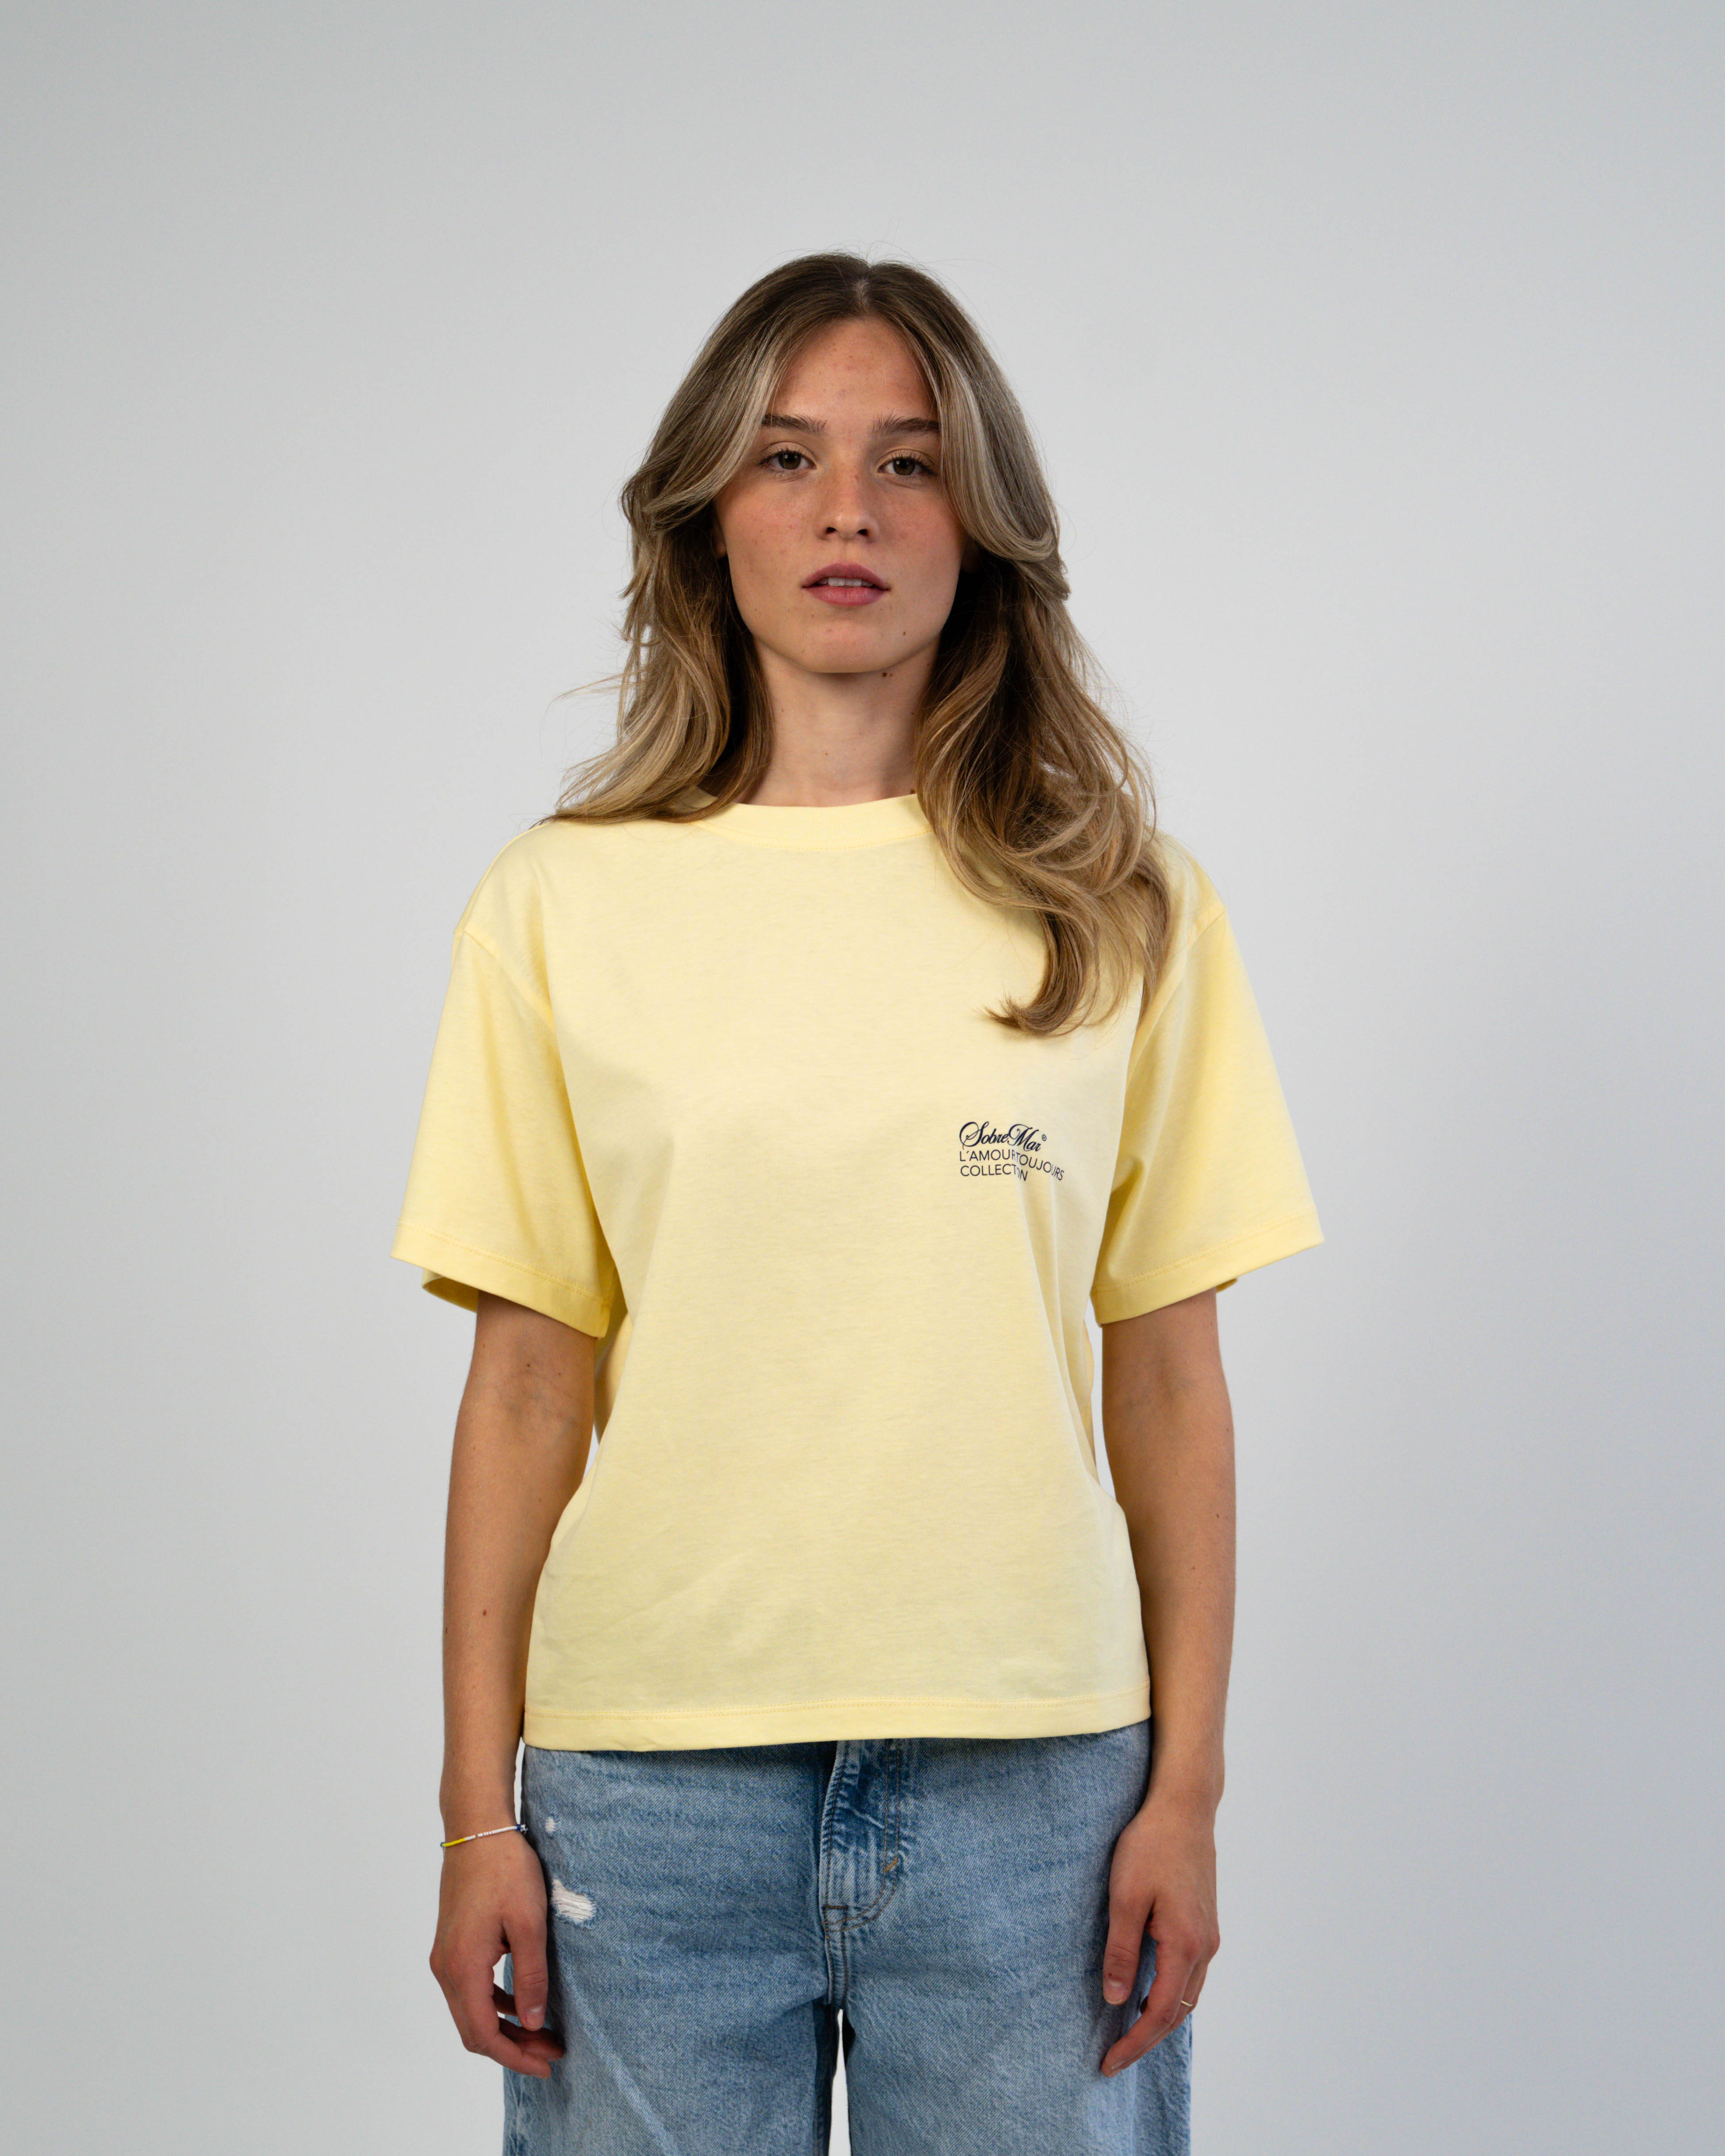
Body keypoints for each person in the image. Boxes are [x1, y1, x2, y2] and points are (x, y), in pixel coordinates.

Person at [392, 251, 1322, 2156]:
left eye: (907, 462)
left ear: (981, 526)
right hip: (649, 1791)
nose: (847, 510)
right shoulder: (556, 906)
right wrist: (476, 1812)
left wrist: (1188, 1790)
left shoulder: (1125, 906)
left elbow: (1167, 1378)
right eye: (788, 456)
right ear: (705, 514)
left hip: (1035, 1791)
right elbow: (528, 1384)